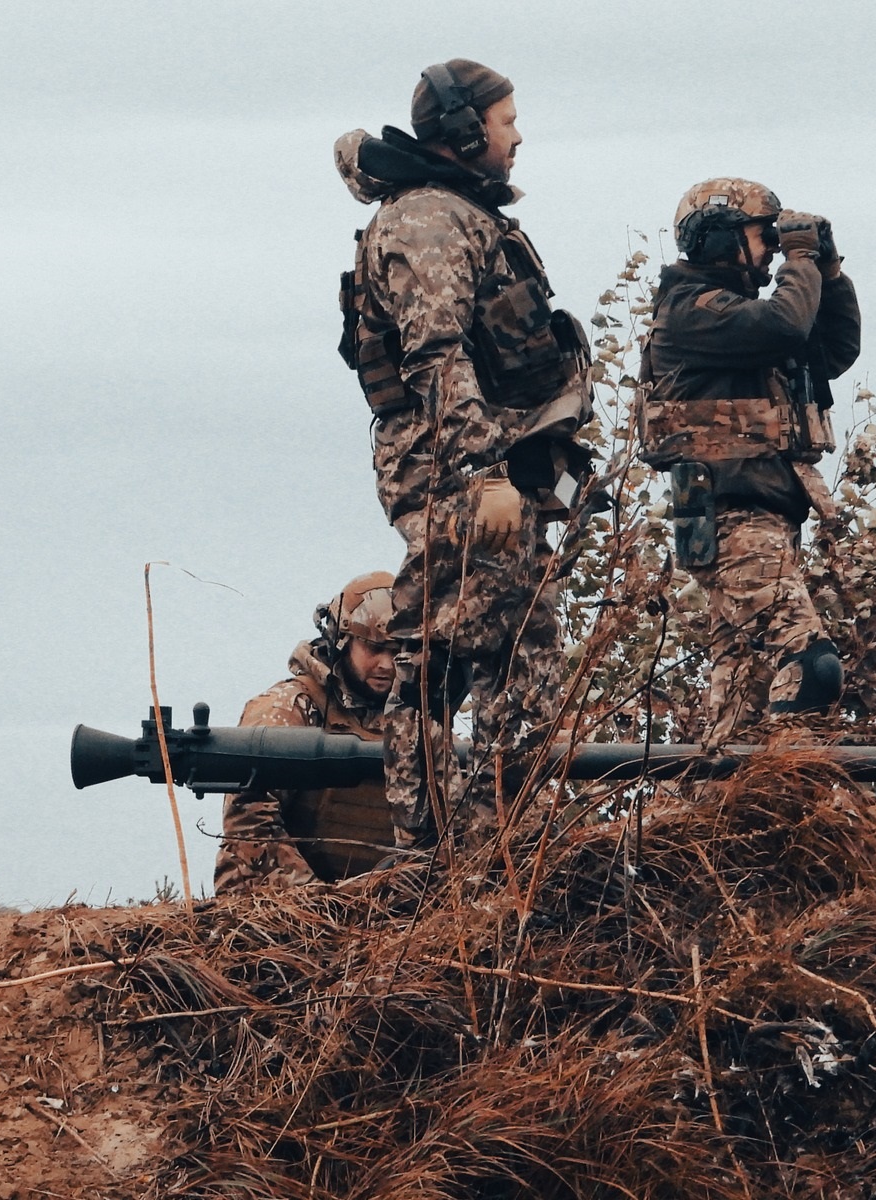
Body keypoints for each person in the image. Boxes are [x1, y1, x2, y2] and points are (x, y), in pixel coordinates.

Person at [334, 59, 592, 850]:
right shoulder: (430, 220)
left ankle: (473, 851)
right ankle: (457, 858)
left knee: (489, 661)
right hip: (461, 477)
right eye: (506, 121)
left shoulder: (461, 215)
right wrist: (482, 477)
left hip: (489, 474)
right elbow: (437, 353)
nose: (517, 136)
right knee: (475, 661)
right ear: (465, 130)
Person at [634, 179, 861, 745]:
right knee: (811, 665)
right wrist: (803, 259)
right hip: (729, 517)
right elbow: (786, 323)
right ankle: (790, 796)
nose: (774, 250)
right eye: (765, 237)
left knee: (744, 709)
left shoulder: (742, 321)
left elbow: (833, 348)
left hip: (761, 522)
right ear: (719, 241)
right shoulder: (692, 311)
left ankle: (725, 821)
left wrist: (827, 272)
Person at [214, 572, 399, 892]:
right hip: (280, 900)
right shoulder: (288, 707)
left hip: (378, 908)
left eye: (398, 650)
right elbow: (249, 821)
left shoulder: (412, 718)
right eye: (373, 647)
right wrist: (321, 900)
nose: (386, 664)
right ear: (342, 641)